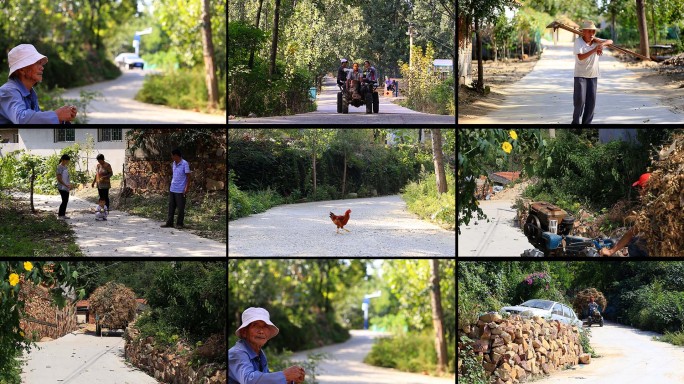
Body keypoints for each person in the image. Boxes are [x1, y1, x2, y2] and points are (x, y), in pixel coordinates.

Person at [0, 44, 77, 124]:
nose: (42, 68)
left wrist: (62, 118)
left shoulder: (30, 92)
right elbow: (21, 119)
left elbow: (36, 122)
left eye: (41, 64)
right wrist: (56, 115)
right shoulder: (8, 91)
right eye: (37, 63)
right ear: (22, 69)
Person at [229, 307, 306, 384]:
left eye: (264, 326)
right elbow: (249, 380)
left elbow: (265, 380)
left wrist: (290, 380)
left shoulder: (259, 353)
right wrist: (284, 375)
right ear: (244, 332)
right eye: (255, 326)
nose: (261, 331)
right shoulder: (236, 353)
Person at [600, 173, 651, 257]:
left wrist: (611, 251)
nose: (638, 192)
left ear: (644, 189)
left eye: (639, 188)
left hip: (656, 247)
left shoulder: (651, 208)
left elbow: (631, 233)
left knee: (633, 243)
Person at [572, 21, 613, 125]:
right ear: (583, 32)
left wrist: (601, 45)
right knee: (579, 101)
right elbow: (580, 57)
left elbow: (611, 41)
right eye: (589, 31)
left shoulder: (596, 41)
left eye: (593, 32)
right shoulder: (578, 42)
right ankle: (575, 123)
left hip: (593, 75)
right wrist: (595, 49)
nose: (591, 34)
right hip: (580, 75)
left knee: (591, 102)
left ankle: (587, 124)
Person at [161, 148, 191, 229]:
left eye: (172, 156)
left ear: (176, 155)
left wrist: (186, 188)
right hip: (173, 188)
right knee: (171, 206)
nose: (171, 157)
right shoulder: (174, 163)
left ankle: (179, 224)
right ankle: (169, 222)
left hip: (181, 189)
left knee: (180, 208)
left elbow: (188, 177)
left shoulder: (185, 163)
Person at [56, 154, 72, 220]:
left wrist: (69, 184)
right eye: (66, 161)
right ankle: (60, 215)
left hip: (66, 186)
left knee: (66, 201)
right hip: (62, 186)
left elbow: (67, 177)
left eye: (68, 161)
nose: (67, 162)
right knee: (64, 200)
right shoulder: (59, 167)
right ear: (62, 160)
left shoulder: (65, 167)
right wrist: (65, 184)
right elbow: (59, 178)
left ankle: (63, 214)